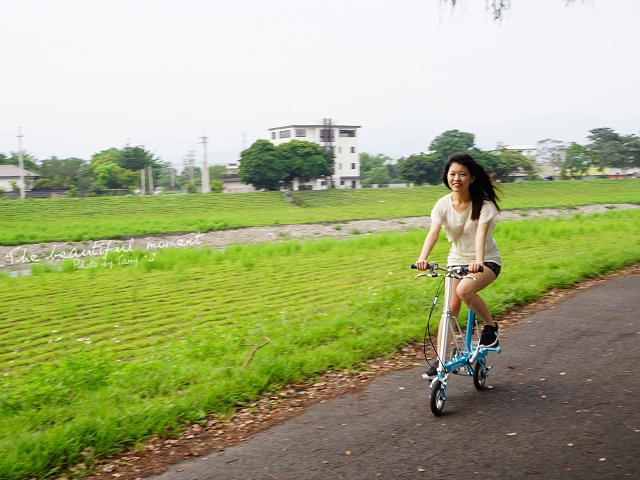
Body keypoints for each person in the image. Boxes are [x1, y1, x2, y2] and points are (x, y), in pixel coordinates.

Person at [415, 153, 502, 379]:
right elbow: (433, 233)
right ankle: (441, 361)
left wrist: (479, 262)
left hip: (486, 261)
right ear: (447, 177)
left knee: (465, 291)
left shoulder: (484, 205)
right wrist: (422, 258)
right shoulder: (443, 204)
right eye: (452, 174)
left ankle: (491, 328)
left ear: (472, 178)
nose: (457, 178)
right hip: (456, 262)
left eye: (462, 174)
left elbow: (480, 235)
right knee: (449, 311)